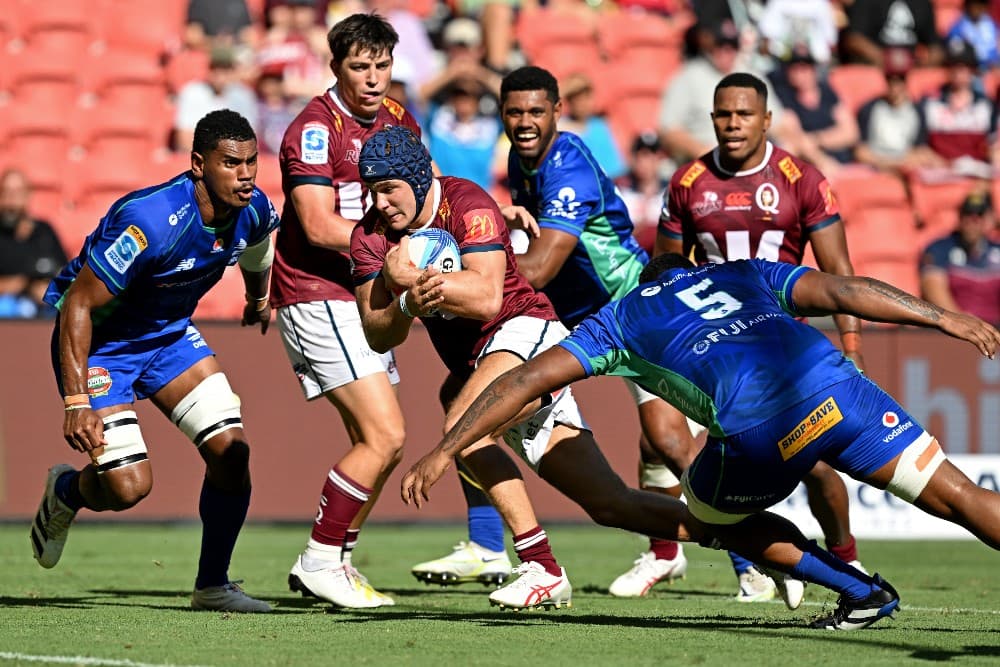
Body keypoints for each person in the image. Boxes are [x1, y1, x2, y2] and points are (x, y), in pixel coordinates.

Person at [404, 252, 1000, 631]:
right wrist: (943, 318)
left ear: (649, 283)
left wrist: (447, 445)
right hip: (843, 392)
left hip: (763, 430)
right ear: (692, 268)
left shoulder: (623, 315)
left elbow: (529, 377)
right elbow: (844, 291)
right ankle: (848, 579)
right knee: (962, 498)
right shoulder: (744, 270)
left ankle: (858, 590)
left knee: (708, 513)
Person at [29, 109, 279, 613]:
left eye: (251, 161)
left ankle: (212, 586)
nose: (246, 173)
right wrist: (77, 400)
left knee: (233, 453)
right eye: (231, 163)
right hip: (104, 345)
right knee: (128, 488)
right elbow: (77, 304)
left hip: (167, 339)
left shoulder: (252, 208)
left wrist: (257, 299)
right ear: (197, 165)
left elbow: (257, 246)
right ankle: (65, 492)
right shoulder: (149, 222)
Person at [655, 71, 866, 605]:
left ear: (766, 120)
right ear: (711, 118)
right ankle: (752, 565)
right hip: (720, 354)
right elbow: (665, 274)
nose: (732, 124)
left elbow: (839, 274)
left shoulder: (803, 180)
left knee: (818, 465)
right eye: (723, 114)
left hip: (785, 351)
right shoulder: (687, 183)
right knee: (712, 460)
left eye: (744, 114)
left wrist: (853, 349)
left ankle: (846, 559)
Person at [351, 125, 578, 610]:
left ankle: (541, 567)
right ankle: (759, 549)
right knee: (613, 504)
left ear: (415, 179)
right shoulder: (370, 237)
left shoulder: (467, 202)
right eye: (371, 190)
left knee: (463, 424)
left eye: (388, 188)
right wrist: (406, 303)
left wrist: (409, 278)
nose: (381, 202)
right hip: (489, 358)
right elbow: (377, 332)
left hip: (527, 330)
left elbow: (485, 297)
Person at [499, 65, 691, 598]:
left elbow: (537, 268)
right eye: (514, 112)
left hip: (629, 312)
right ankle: (663, 553)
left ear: (558, 111)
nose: (525, 122)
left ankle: (758, 555)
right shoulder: (522, 158)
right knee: (476, 404)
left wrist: (476, 264)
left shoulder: (569, 169)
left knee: (670, 443)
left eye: (536, 111)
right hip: (576, 318)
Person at [271, 12, 419, 609]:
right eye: (360, 67)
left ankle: (337, 560)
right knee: (387, 435)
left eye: (382, 65)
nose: (374, 78)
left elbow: (421, 192)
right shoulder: (314, 128)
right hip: (317, 291)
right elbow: (314, 223)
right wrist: (388, 252)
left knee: (379, 440)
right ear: (335, 67)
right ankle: (318, 558)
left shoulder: (399, 120)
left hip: (360, 292)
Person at [854, 48, 943, 175]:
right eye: (891, 79)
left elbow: (920, 150)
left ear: (906, 80)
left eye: (900, 79)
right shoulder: (869, 108)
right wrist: (889, 164)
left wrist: (904, 163)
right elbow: (861, 151)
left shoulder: (917, 110)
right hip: (875, 166)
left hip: (906, 167)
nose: (895, 85)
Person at [920, 191, 1000, 325]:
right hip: (955, 329)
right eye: (967, 214)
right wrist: (963, 325)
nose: (973, 221)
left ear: (990, 219)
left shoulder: (997, 250)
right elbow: (933, 289)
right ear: (960, 217)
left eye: (979, 215)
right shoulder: (940, 248)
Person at [0, 168, 67, 318]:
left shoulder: (44, 231)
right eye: (6, 193)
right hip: (9, 306)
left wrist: (48, 289)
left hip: (44, 303)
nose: (11, 200)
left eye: (17, 193)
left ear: (27, 195)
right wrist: (22, 285)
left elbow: (64, 271)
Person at [174, 47, 259, 151]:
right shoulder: (192, 92)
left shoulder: (243, 96)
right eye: (215, 69)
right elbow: (184, 139)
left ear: (233, 71)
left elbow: (249, 140)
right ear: (208, 70)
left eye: (225, 70)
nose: (220, 76)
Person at [841, 0, 943, 68]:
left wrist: (924, 65)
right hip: (876, 66)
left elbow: (935, 46)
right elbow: (854, 39)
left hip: (910, 68)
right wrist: (885, 60)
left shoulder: (922, 3)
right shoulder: (867, 2)